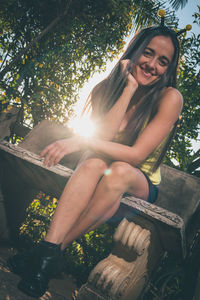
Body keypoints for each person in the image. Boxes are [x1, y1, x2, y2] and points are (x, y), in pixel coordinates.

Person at [7, 24, 183, 298]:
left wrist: (80, 141)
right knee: (94, 163)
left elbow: (136, 155)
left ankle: (43, 253)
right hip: (102, 170)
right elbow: (105, 136)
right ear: (134, 52)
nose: (152, 65)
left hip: (138, 179)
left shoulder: (170, 98)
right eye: (148, 54)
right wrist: (128, 89)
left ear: (168, 69)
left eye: (163, 62)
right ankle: (47, 257)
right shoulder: (107, 89)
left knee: (120, 170)